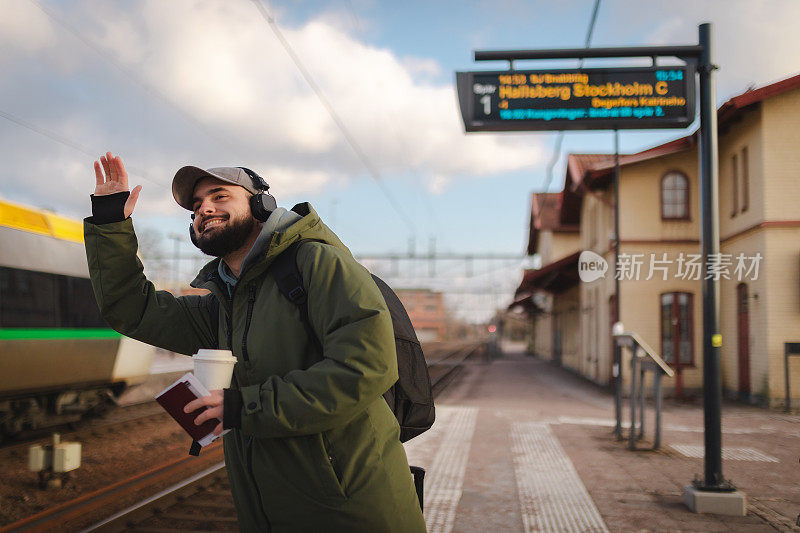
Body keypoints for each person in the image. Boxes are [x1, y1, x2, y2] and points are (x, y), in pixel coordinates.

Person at [84, 152, 427, 532]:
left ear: (261, 204)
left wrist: (242, 408)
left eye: (219, 196)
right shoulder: (225, 304)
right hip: (268, 510)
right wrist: (110, 220)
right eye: (196, 206)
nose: (204, 209)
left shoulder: (317, 262)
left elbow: (366, 367)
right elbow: (133, 310)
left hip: (351, 508)